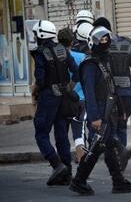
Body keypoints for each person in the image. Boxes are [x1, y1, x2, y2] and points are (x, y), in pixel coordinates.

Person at [69, 26, 131, 195]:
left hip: (109, 109)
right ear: (93, 43)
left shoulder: (104, 61)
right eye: (102, 42)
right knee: (96, 146)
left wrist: (121, 108)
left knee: (106, 146)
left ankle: (118, 181)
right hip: (98, 112)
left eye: (107, 41)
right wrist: (94, 117)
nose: (106, 45)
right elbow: (89, 92)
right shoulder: (89, 65)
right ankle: (79, 181)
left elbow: (112, 87)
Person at [32, 20, 79, 186]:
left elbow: (40, 79)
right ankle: (66, 173)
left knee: (41, 132)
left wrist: (34, 92)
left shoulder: (40, 53)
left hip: (48, 97)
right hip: (64, 97)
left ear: (41, 35)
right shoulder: (63, 50)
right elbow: (76, 71)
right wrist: (68, 87)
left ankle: (56, 165)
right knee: (61, 136)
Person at [92, 17, 131, 171]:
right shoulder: (126, 43)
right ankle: (121, 159)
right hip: (126, 92)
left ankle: (116, 159)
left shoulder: (100, 45)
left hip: (108, 93)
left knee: (109, 129)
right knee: (122, 125)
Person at [57, 23, 93, 162]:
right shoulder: (82, 57)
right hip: (80, 99)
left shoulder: (56, 57)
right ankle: (81, 159)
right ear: (72, 42)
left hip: (62, 101)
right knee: (79, 134)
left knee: (62, 134)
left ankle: (64, 163)